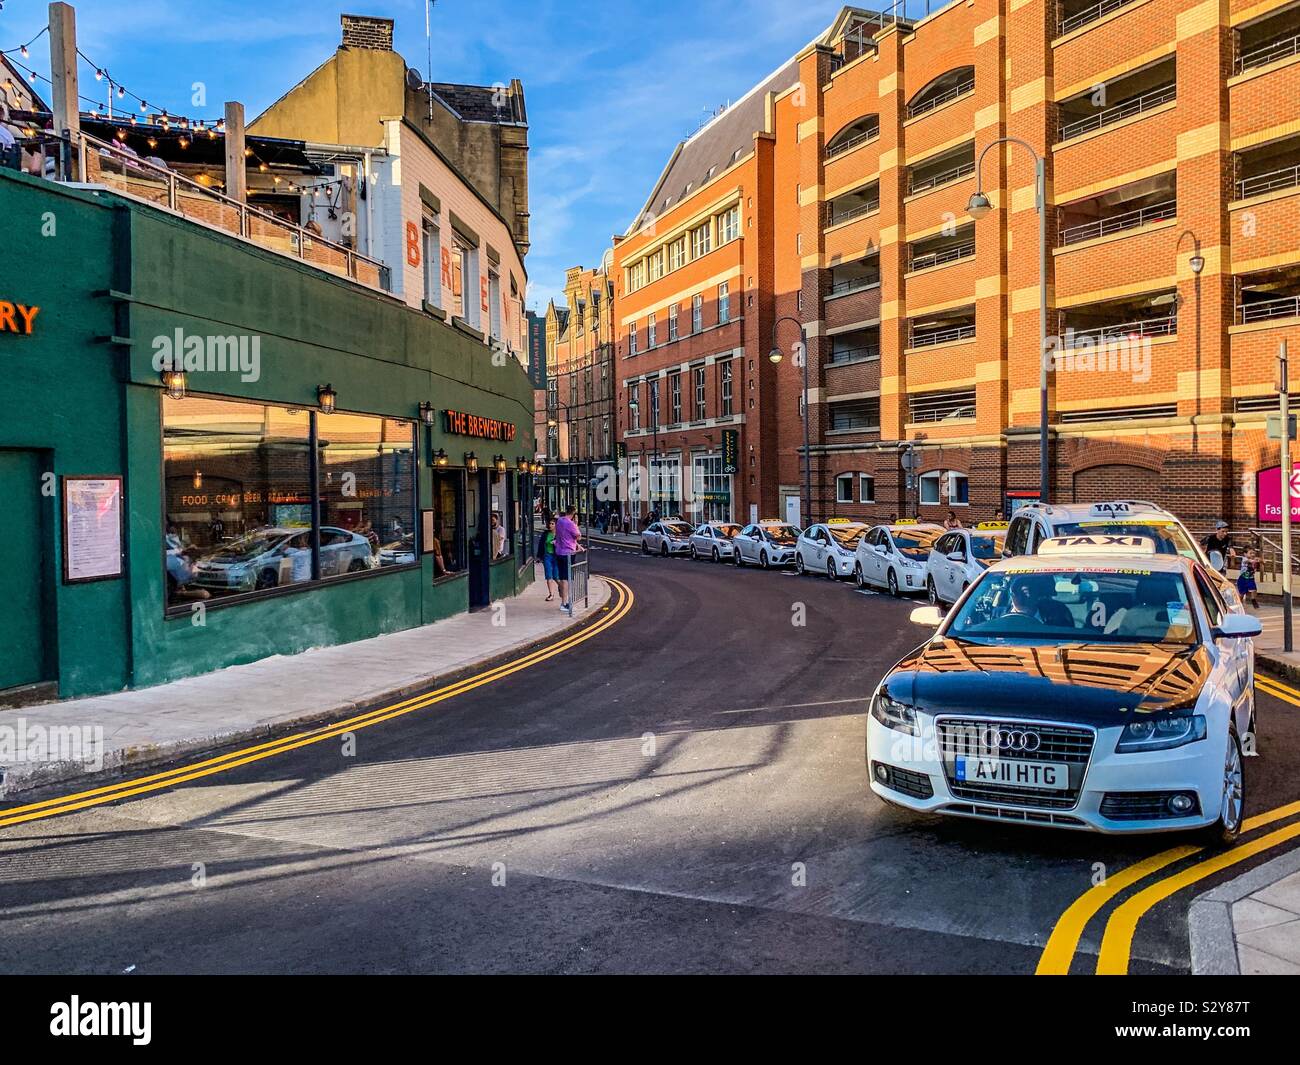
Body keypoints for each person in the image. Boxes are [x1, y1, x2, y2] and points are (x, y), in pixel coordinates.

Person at [555, 505, 582, 616]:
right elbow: (578, 536)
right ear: (574, 513)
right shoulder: (571, 524)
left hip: (559, 552)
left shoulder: (560, 521)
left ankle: (564, 601)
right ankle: (564, 603)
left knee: (562, 578)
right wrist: (576, 524)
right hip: (568, 553)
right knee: (567, 579)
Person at [536, 517, 560, 601]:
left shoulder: (560, 534)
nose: (550, 525)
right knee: (548, 575)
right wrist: (539, 556)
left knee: (556, 576)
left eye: (552, 524)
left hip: (557, 557)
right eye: (550, 523)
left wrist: (556, 543)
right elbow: (540, 545)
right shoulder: (545, 534)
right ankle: (551, 594)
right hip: (547, 556)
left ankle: (562, 588)